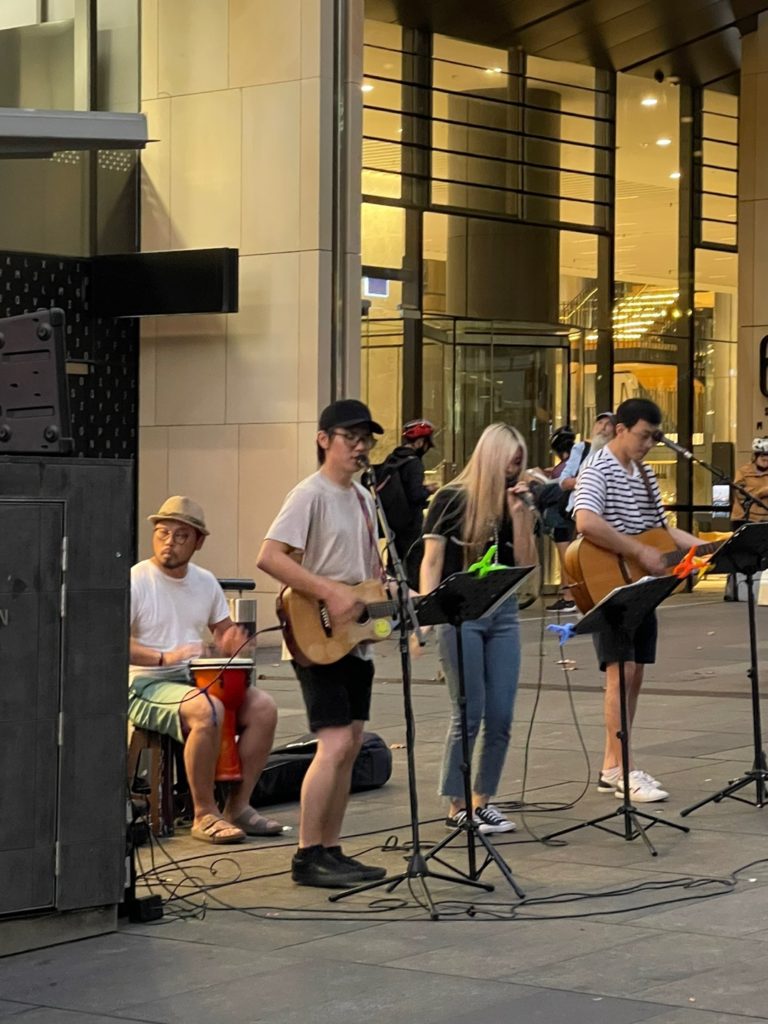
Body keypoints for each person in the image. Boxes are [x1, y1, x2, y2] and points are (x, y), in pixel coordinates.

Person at [257, 398, 389, 889]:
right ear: (323, 440)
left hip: (353, 639)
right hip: (316, 633)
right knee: (333, 744)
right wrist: (329, 591)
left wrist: (392, 598)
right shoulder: (308, 494)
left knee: (351, 745)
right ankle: (307, 853)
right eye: (350, 437)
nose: (360, 447)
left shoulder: (364, 499)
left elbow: (368, 574)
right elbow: (270, 557)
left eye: (366, 439)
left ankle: (332, 849)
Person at [129, 496, 282, 844]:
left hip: (193, 678)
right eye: (163, 532)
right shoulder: (137, 579)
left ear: (198, 542)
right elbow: (113, 642)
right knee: (208, 709)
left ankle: (238, 807)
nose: (169, 542)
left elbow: (223, 631)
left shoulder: (204, 581)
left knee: (263, 708)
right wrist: (165, 657)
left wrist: (233, 641)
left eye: (181, 535)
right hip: (145, 682)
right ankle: (204, 813)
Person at [572, 398, 701, 802]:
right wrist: (637, 550)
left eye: (653, 438)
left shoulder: (644, 474)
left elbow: (661, 530)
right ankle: (619, 768)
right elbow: (585, 520)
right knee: (620, 672)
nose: (648, 445)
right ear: (620, 429)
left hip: (642, 586)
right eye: (643, 436)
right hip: (612, 585)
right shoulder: (598, 467)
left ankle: (615, 763)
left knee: (636, 672)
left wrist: (706, 548)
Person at [418, 423, 537, 834]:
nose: (514, 470)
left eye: (519, 464)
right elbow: (432, 560)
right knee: (469, 711)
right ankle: (456, 804)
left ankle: (483, 799)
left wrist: (521, 517)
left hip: (503, 611)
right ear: (492, 457)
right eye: (510, 461)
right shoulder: (451, 499)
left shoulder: (513, 502)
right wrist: (426, 617)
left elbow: (528, 566)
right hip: (459, 612)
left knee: (501, 714)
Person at [374, 419, 438, 587]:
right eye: (427, 444)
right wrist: (429, 490)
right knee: (412, 566)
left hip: (393, 523)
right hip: (410, 525)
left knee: (394, 565)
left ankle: (394, 594)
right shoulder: (414, 463)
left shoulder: (393, 458)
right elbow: (415, 495)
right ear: (420, 442)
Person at [731, 437, 768, 526]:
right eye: (762, 456)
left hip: (765, 519)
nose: (766, 460)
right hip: (744, 519)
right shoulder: (743, 472)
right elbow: (742, 494)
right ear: (755, 456)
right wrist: (763, 492)